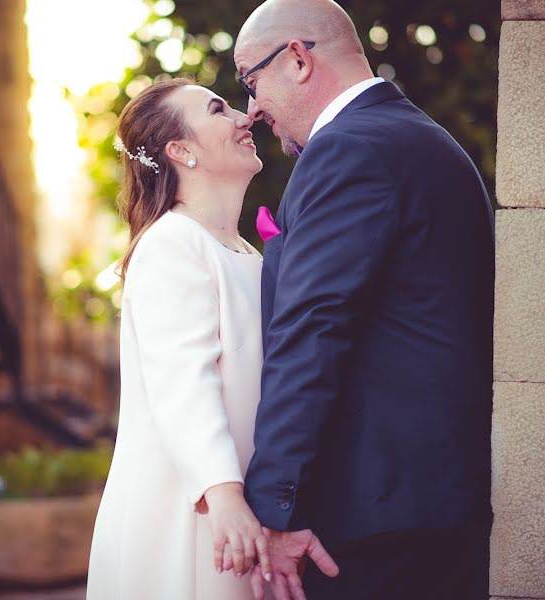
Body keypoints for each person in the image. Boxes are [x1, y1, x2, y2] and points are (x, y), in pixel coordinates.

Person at [233, 1, 495, 599]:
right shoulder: (418, 138)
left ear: (297, 59)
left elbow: (312, 333)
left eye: (252, 81)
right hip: (429, 500)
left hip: (377, 514)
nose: (252, 108)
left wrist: (276, 508)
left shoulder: (348, 149)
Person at [86, 78, 337, 600]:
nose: (243, 118)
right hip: (192, 509)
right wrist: (223, 495)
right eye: (218, 110)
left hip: (244, 506)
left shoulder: (244, 252)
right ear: (181, 151)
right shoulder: (172, 244)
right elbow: (183, 383)